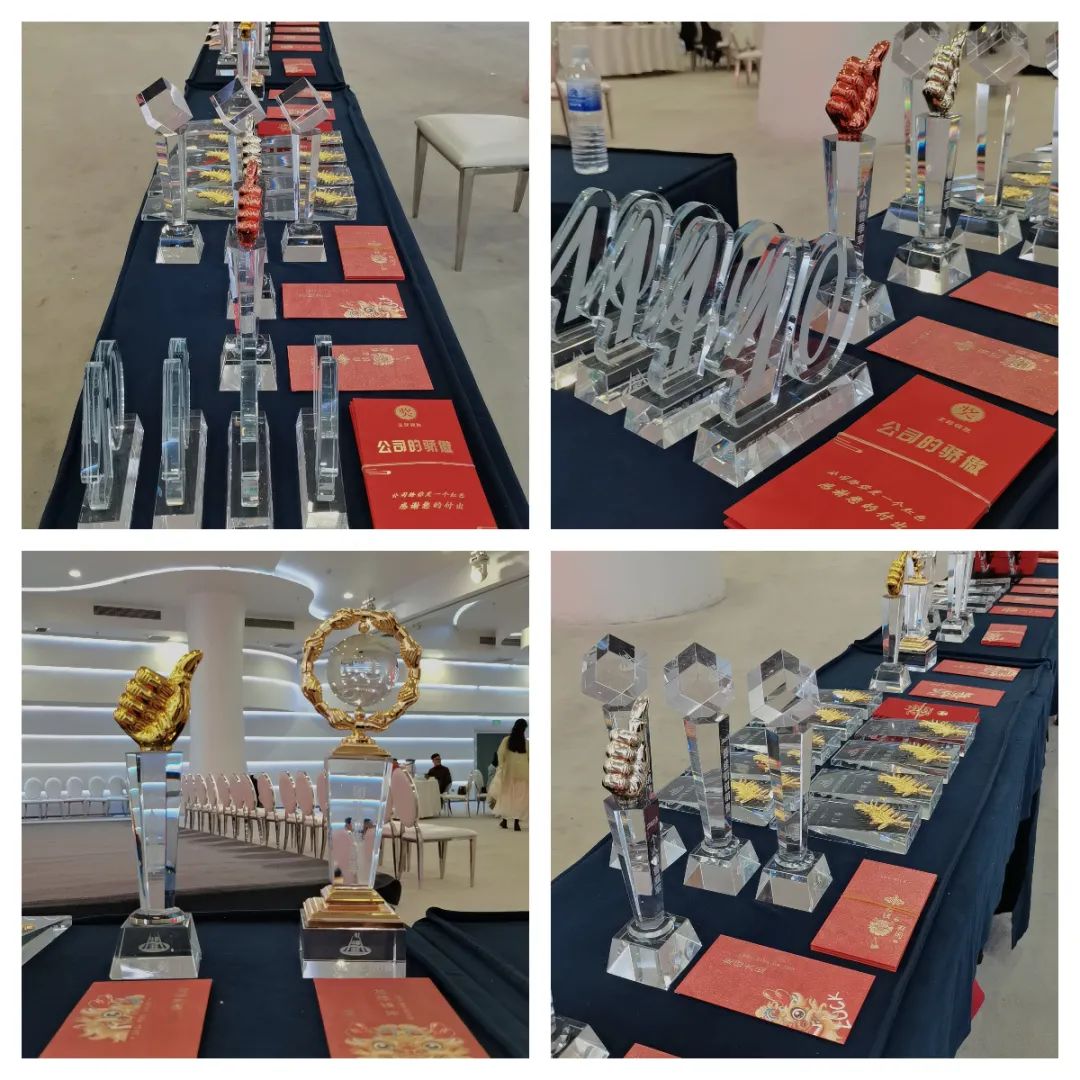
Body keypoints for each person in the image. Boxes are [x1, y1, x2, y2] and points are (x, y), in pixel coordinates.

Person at [490, 718, 529, 831]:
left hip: (508, 773)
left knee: (506, 797)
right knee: (519, 798)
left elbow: (500, 754)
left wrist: (501, 767)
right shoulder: (526, 743)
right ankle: (516, 822)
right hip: (523, 774)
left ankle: (505, 821)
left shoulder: (506, 740)